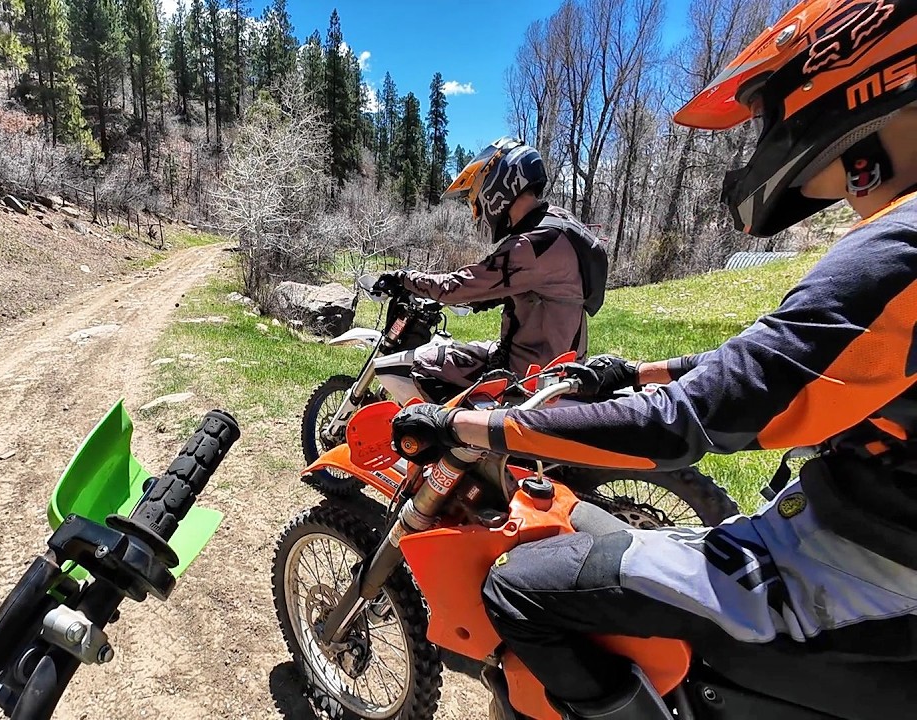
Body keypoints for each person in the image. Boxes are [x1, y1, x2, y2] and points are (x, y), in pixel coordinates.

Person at [389, 2, 917, 718]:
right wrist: (634, 371)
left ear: (849, 74)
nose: (763, 136)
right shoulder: (567, 233)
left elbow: (698, 417)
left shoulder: (899, 249)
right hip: (862, 533)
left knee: (518, 589)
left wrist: (478, 427)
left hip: (860, 565)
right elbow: (780, 363)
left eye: (766, 112)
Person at [370, 136, 608, 403]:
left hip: (526, 374)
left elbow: (455, 287)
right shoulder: (557, 223)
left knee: (416, 364)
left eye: (476, 195)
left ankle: (451, 439)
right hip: (553, 364)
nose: (476, 208)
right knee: (454, 351)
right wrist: (491, 297)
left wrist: (404, 278)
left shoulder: (531, 244)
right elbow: (542, 285)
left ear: (499, 185)